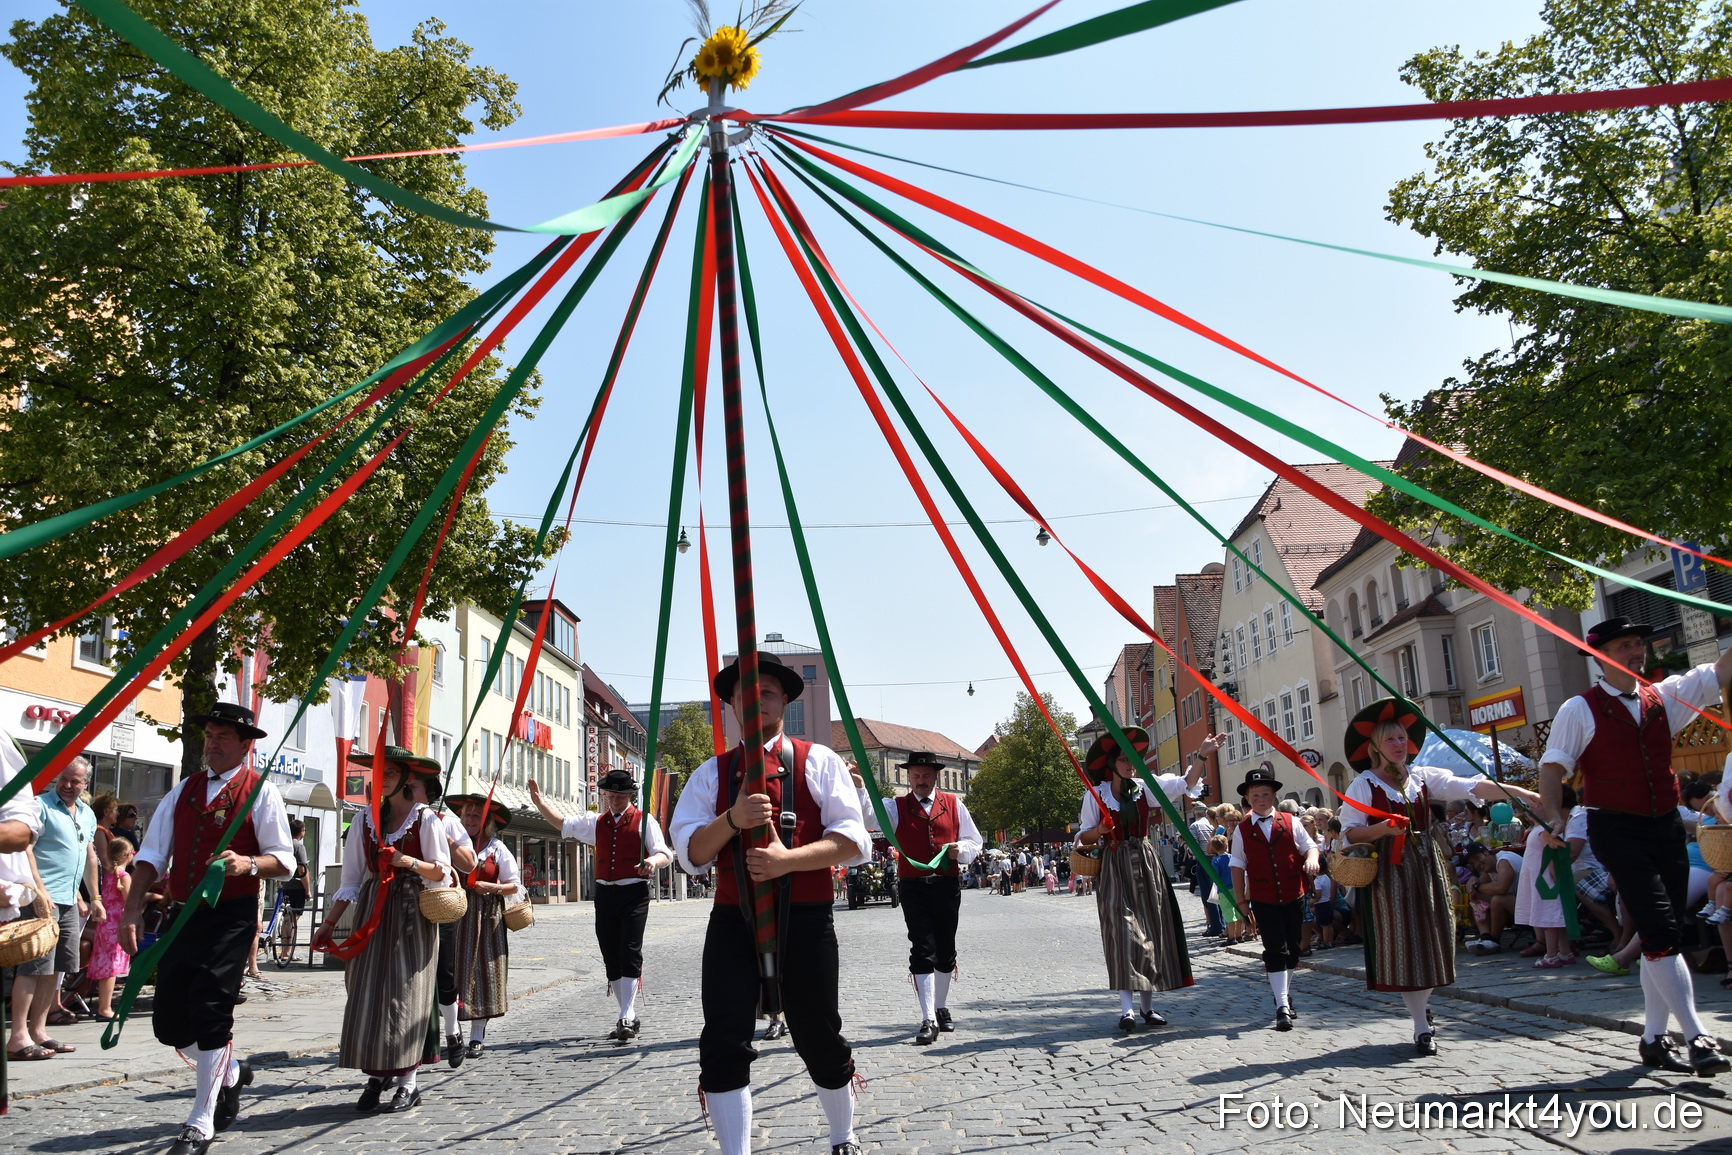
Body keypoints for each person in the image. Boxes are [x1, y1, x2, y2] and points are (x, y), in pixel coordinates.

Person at [669, 651, 870, 1155]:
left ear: (785, 703)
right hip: (733, 920)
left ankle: (843, 1136)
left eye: (770, 693)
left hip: (805, 918)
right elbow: (690, 854)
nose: (758, 701)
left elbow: (853, 842)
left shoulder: (819, 761)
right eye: (747, 694)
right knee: (723, 1038)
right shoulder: (711, 775)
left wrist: (787, 860)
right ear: (732, 703)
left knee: (819, 1032)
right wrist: (732, 819)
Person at [1538, 616, 1732, 1075]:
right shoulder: (1578, 709)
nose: (1636, 651)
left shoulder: (1663, 697)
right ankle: (1697, 1036)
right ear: (1603, 655)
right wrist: (1553, 818)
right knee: (1664, 929)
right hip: (1615, 827)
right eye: (1626, 645)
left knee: (1656, 932)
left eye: (1639, 643)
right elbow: (1552, 770)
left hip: (1664, 826)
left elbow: (1722, 671)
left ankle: (1652, 1038)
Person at [121, 703, 294, 1155]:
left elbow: (285, 862)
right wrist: (131, 911)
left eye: (222, 737)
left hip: (230, 916)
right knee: (171, 1024)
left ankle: (200, 1121)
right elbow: (151, 856)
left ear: (244, 745)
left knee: (212, 1011)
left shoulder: (261, 793)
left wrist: (248, 862)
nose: (212, 744)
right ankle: (231, 1072)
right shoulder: (183, 790)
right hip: (183, 914)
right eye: (209, 735)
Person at [1340, 697, 1539, 1055]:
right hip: (1390, 872)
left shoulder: (1422, 777)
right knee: (1404, 944)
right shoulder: (1364, 785)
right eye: (1391, 740)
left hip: (1426, 864)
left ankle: (1422, 1010)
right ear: (1375, 748)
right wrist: (1382, 829)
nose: (1400, 744)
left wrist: (1520, 792)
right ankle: (1420, 1025)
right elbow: (1349, 834)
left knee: (1435, 938)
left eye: (1402, 738)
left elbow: (1473, 787)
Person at [310, 746, 455, 1114]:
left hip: (412, 914)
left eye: (390, 773)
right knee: (367, 992)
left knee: (406, 993)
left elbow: (443, 872)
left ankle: (409, 1082)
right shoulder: (364, 820)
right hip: (373, 912)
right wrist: (328, 924)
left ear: (407, 778)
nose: (383, 779)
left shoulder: (426, 820)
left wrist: (406, 860)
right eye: (380, 772)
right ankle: (376, 1076)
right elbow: (353, 880)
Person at [1075, 728, 1220, 1032]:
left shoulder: (1144, 788)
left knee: (1150, 930)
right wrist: (1100, 831)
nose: (1131, 764)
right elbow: (1083, 836)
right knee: (1123, 934)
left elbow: (1186, 783)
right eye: (1124, 759)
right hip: (1114, 865)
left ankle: (1146, 1008)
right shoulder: (1096, 795)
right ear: (1111, 763)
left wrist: (1202, 755)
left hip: (1145, 861)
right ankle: (1126, 1010)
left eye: (1133, 758)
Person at [529, 766, 671, 1041]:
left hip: (634, 892)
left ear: (630, 795)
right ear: (605, 795)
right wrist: (540, 803)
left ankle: (626, 1015)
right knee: (610, 953)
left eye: (620, 796)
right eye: (610, 795)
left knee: (629, 949)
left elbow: (664, 853)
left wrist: (652, 862)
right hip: (605, 894)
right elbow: (562, 824)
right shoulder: (596, 822)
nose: (614, 800)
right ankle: (626, 1013)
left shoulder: (645, 821)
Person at [856, 751, 982, 1045]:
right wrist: (862, 788)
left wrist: (959, 850)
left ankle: (941, 1006)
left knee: (946, 948)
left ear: (935, 776)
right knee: (922, 947)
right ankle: (928, 1018)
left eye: (926, 776)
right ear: (908, 777)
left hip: (946, 884)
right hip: (913, 886)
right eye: (915, 776)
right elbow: (870, 817)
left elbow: (974, 841)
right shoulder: (896, 806)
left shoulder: (953, 804)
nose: (920, 781)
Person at [12, 759, 102, 1057]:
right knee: (33, 967)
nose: (67, 785)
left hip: (68, 901)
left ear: (85, 784)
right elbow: (26, 847)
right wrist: (38, 889)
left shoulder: (87, 814)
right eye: (63, 779)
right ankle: (18, 1036)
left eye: (75, 781)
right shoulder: (40, 806)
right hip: (42, 900)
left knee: (55, 969)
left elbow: (89, 856)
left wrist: (94, 897)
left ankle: (38, 1030)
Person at [1229, 767, 1321, 1030]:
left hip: (1294, 893)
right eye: (1255, 794)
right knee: (1274, 949)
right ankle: (1281, 1003)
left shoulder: (1291, 821)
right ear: (1247, 797)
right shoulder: (1242, 829)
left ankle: (1284, 994)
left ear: (1274, 796)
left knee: (1293, 949)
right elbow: (1237, 864)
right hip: (1263, 897)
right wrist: (1241, 901)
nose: (1261, 799)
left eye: (1266, 794)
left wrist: (1312, 861)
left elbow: (1310, 847)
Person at [406, 773, 477, 1068]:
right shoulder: (391, 818)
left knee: (443, 971)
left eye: (413, 786)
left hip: (438, 903)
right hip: (403, 905)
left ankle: (452, 1032)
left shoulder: (445, 820)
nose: (407, 791)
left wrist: (443, 836)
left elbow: (469, 863)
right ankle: (411, 1041)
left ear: (428, 792)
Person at [447, 792, 520, 1058]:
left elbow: (515, 885)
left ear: (487, 821)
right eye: (467, 814)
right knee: (450, 973)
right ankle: (452, 1033)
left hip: (485, 917)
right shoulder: (450, 845)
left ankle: (476, 1036)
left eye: (477, 815)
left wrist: (491, 886)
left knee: (482, 974)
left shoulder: (496, 848)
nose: (470, 819)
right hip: (451, 913)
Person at [1514, 787, 1578, 968]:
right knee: (1556, 917)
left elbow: (1551, 853)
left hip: (1545, 881)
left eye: (1536, 806)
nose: (1530, 810)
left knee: (1549, 917)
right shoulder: (1537, 828)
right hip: (1539, 879)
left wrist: (1555, 876)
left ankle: (1551, 954)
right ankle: (1564, 952)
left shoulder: (1545, 829)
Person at [88, 836, 135, 1020]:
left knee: (105, 967)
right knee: (111, 968)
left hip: (104, 925)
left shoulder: (107, 875)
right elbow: (130, 900)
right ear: (126, 855)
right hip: (117, 925)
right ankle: (104, 1008)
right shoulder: (123, 876)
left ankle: (103, 1006)